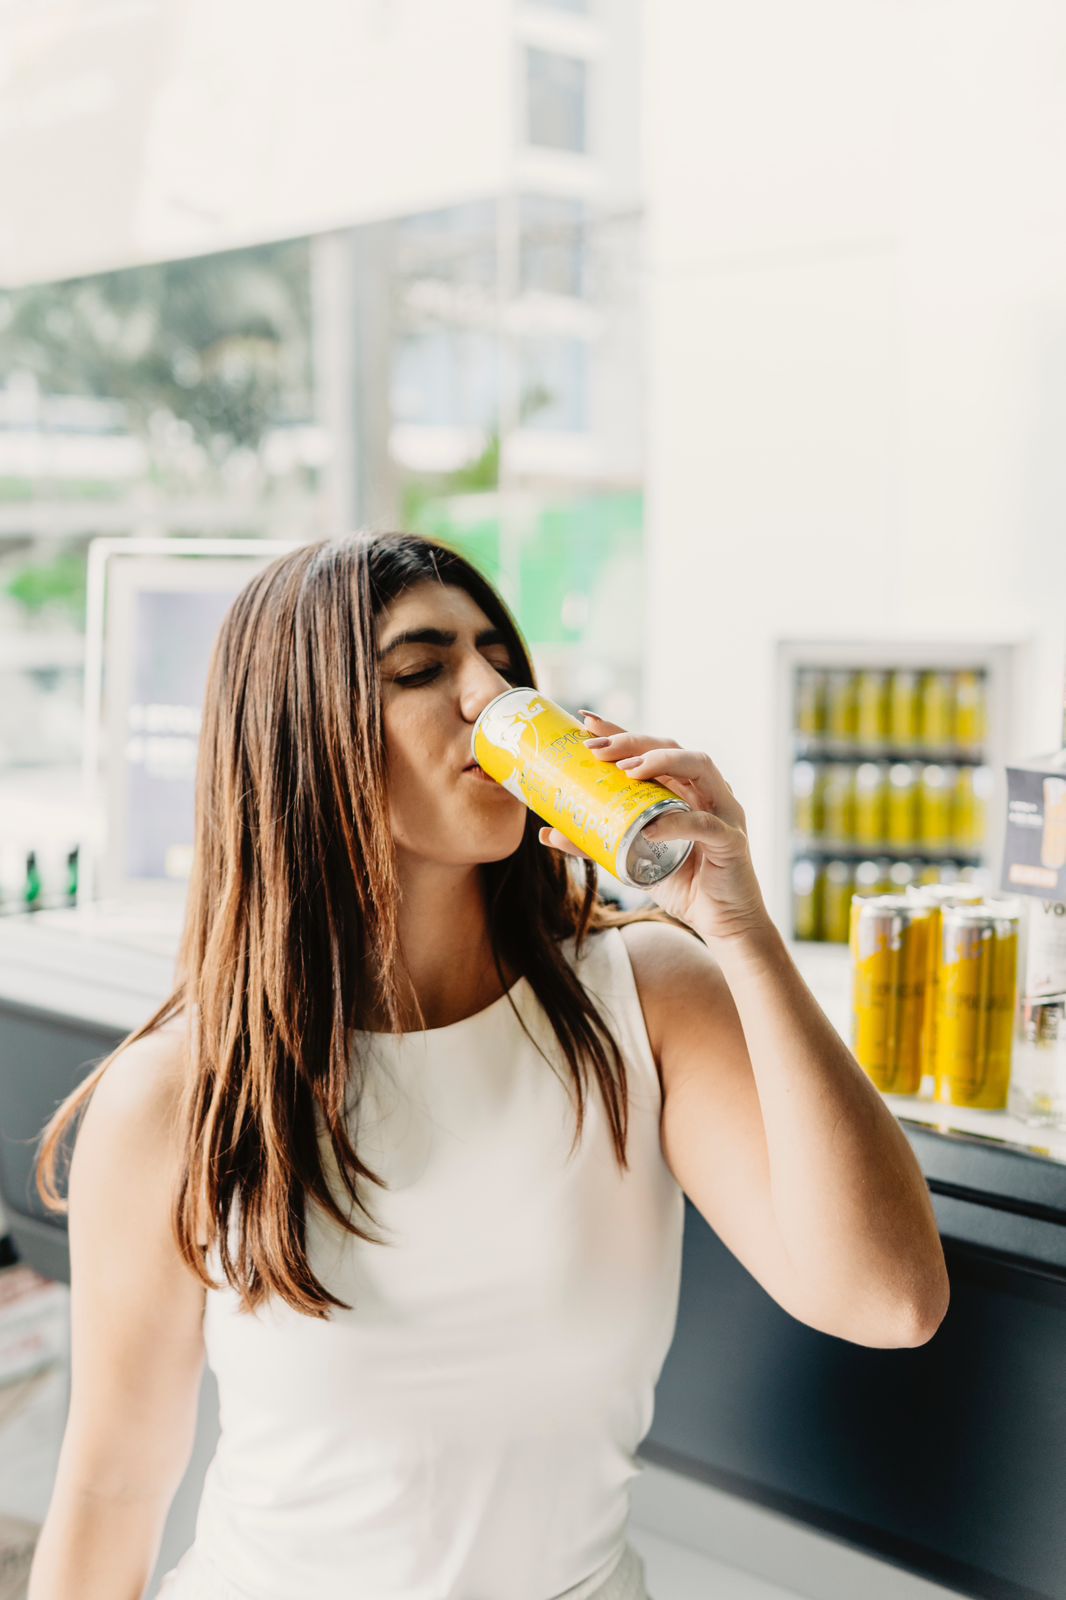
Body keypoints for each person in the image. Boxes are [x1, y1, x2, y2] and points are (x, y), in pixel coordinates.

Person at [28, 532, 949, 1600]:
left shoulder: (643, 997)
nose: (492, 696)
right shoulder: (180, 1092)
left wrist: (739, 931)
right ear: (302, 739)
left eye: (501, 661)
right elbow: (110, 1492)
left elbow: (890, 1301)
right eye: (422, 669)